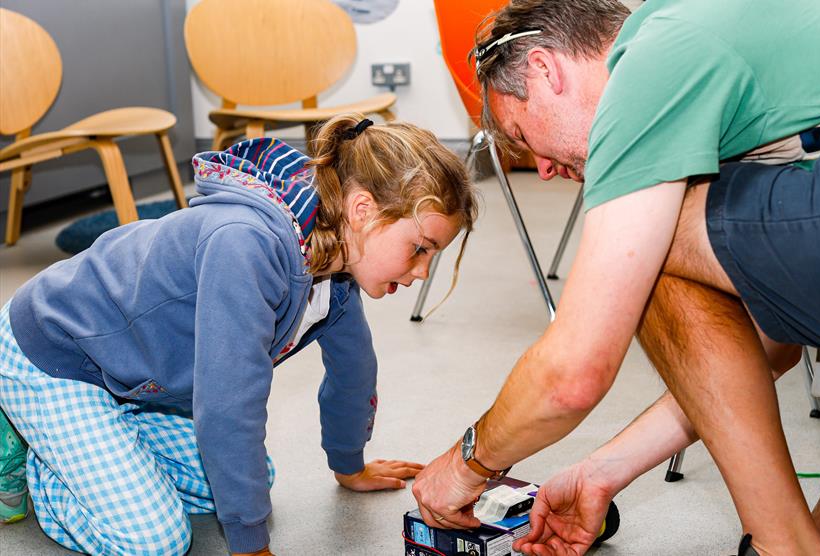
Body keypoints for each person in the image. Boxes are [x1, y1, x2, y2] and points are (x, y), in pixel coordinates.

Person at [411, 1, 820, 554]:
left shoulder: (655, 58)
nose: (546, 168)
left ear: (544, 68)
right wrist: (603, 471)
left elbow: (572, 373)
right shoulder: (718, 62)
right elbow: (766, 346)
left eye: (522, 136)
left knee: (649, 240)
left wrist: (468, 462)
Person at [0, 114, 479, 556]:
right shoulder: (245, 247)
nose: (420, 272)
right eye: (419, 248)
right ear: (362, 210)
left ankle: (97, 443)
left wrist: (349, 465)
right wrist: (250, 546)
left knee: (250, 480)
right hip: (53, 353)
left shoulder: (335, 276)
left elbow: (354, 370)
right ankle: (33, 457)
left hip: (131, 378)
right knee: (153, 540)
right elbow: (229, 403)